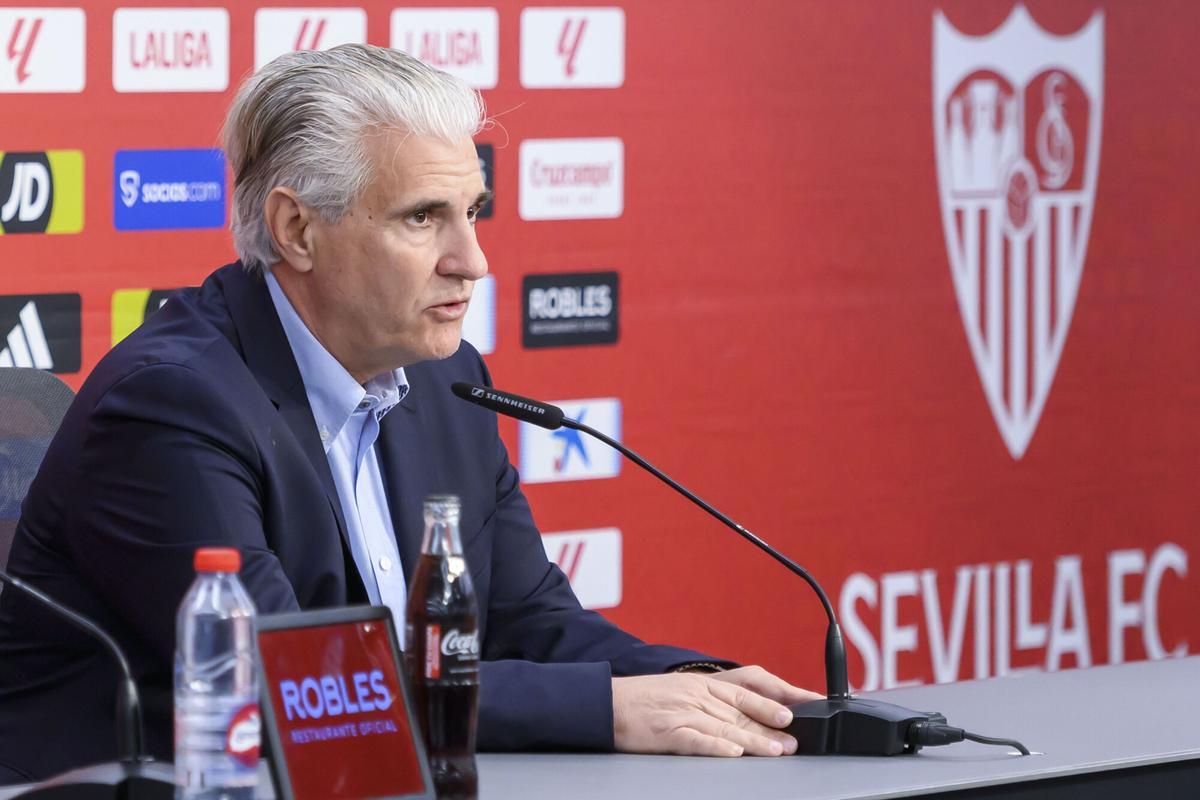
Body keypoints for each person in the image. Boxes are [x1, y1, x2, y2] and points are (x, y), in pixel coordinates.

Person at [0, 45, 818, 783]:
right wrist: (606, 710)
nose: (474, 261)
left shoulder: (444, 381)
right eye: (423, 218)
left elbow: (525, 621)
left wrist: (699, 688)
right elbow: (308, 686)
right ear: (296, 230)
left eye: (475, 212)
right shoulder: (171, 404)